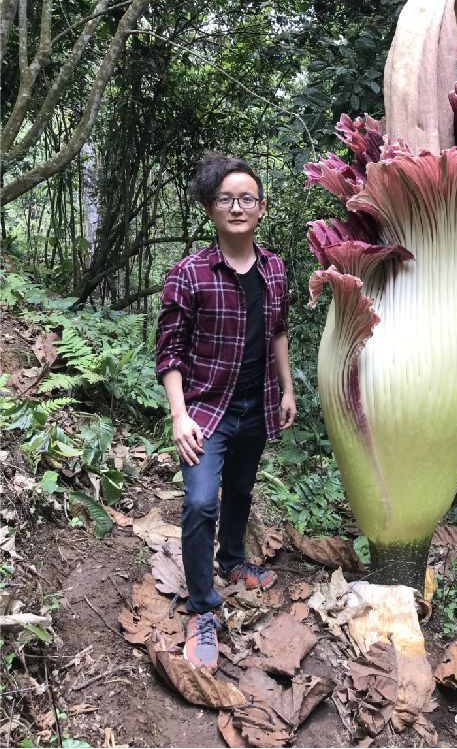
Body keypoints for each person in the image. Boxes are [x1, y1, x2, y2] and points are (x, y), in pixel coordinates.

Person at [155, 152, 296, 669]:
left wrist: (286, 389)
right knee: (199, 504)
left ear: (260, 208)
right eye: (226, 199)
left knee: (239, 489)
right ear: (212, 209)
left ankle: (233, 560)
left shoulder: (275, 268)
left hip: (256, 404)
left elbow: (278, 330)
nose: (237, 207)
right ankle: (201, 610)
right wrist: (178, 414)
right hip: (205, 411)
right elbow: (168, 352)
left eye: (247, 199)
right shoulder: (189, 273)